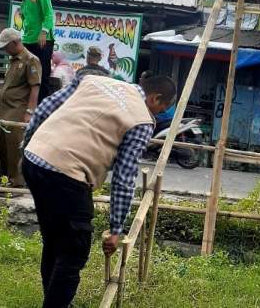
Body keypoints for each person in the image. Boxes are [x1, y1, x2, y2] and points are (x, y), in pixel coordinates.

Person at [21, 74, 176, 308]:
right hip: (67, 174)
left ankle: (57, 301)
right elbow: (124, 177)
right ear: (156, 98)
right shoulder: (142, 121)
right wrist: (116, 230)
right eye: (163, 108)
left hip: (34, 160)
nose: (159, 114)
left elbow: (46, 107)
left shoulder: (94, 80)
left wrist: (29, 143)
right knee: (74, 252)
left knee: (54, 240)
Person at [0, 28, 41, 187]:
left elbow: (35, 88)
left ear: (15, 42)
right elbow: (12, 87)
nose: (4, 50)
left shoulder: (31, 60)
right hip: (4, 111)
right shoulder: (13, 60)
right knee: (3, 148)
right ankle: (6, 179)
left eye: (6, 46)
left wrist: (30, 112)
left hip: (18, 112)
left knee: (15, 149)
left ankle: (16, 182)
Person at [9, 0, 56, 100]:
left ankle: (41, 105)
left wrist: (44, 32)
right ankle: (25, 101)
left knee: (43, 74)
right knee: (27, 72)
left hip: (43, 40)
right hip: (28, 41)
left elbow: (48, 14)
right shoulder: (24, 2)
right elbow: (25, 22)